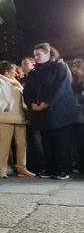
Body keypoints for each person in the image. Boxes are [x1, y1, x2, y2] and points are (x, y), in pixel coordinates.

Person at [23, 43, 77, 180]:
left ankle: (62, 169)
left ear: (48, 54)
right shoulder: (34, 72)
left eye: (39, 54)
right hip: (42, 114)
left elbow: (61, 87)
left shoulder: (60, 66)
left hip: (59, 112)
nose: (36, 57)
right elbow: (27, 90)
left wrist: (47, 102)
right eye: (34, 55)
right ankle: (50, 168)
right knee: (47, 142)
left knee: (61, 142)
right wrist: (32, 104)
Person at [0, 62, 36, 179]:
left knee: (22, 144)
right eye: (14, 70)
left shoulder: (15, 82)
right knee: (5, 145)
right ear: (7, 71)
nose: (16, 72)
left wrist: (25, 108)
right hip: (5, 118)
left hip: (19, 117)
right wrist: (5, 106)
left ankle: (22, 168)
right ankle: (2, 170)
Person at [72, 65, 84, 173]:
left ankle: (79, 165)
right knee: (79, 143)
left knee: (78, 143)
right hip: (78, 118)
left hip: (78, 118)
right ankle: (79, 165)